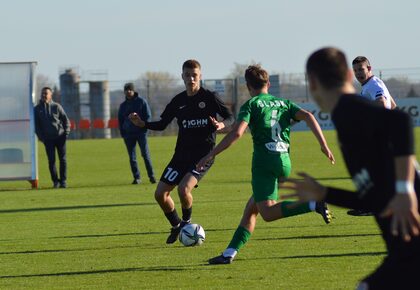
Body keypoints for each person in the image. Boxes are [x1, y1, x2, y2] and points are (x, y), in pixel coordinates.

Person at [281, 47, 420, 290]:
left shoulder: (349, 110)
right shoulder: (347, 119)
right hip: (404, 253)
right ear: (348, 74)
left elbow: (400, 121)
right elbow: (374, 200)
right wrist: (325, 194)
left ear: (312, 83)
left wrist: (404, 190)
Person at [196, 65, 336, 265]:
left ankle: (314, 203)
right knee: (251, 209)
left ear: (247, 86)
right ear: (268, 84)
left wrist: (210, 154)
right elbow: (309, 116)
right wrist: (324, 145)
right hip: (284, 162)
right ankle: (229, 254)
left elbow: (238, 133)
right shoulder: (283, 103)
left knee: (268, 213)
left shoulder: (251, 105)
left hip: (264, 163)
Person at [129, 59, 234, 244]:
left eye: (195, 75)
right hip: (181, 155)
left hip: (203, 156)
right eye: (188, 75)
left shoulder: (210, 97)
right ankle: (177, 225)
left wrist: (221, 124)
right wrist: (143, 124)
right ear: (182, 76)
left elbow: (231, 117)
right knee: (160, 194)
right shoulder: (178, 101)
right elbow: (162, 124)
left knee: (184, 189)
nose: (191, 79)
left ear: (200, 76)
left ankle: (187, 224)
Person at [350, 57, 397, 216]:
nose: (358, 73)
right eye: (355, 70)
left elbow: (383, 104)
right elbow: (393, 105)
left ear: (369, 68)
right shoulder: (371, 85)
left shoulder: (373, 85)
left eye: (361, 69)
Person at [118, 82, 156, 184]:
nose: (128, 92)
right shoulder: (123, 106)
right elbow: (120, 120)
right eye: (126, 90)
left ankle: (151, 176)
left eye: (130, 89)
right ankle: (137, 177)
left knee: (145, 155)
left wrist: (144, 128)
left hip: (141, 133)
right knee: (132, 157)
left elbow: (148, 116)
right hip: (128, 135)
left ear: (133, 90)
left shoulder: (141, 102)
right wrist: (123, 133)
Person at [34, 87, 70, 188]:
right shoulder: (37, 109)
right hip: (48, 140)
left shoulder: (57, 106)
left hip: (60, 137)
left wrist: (66, 133)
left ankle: (63, 181)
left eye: (46, 94)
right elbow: (36, 126)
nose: (44, 95)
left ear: (50, 95)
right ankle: (55, 182)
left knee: (63, 160)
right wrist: (42, 138)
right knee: (51, 161)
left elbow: (66, 120)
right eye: (42, 94)